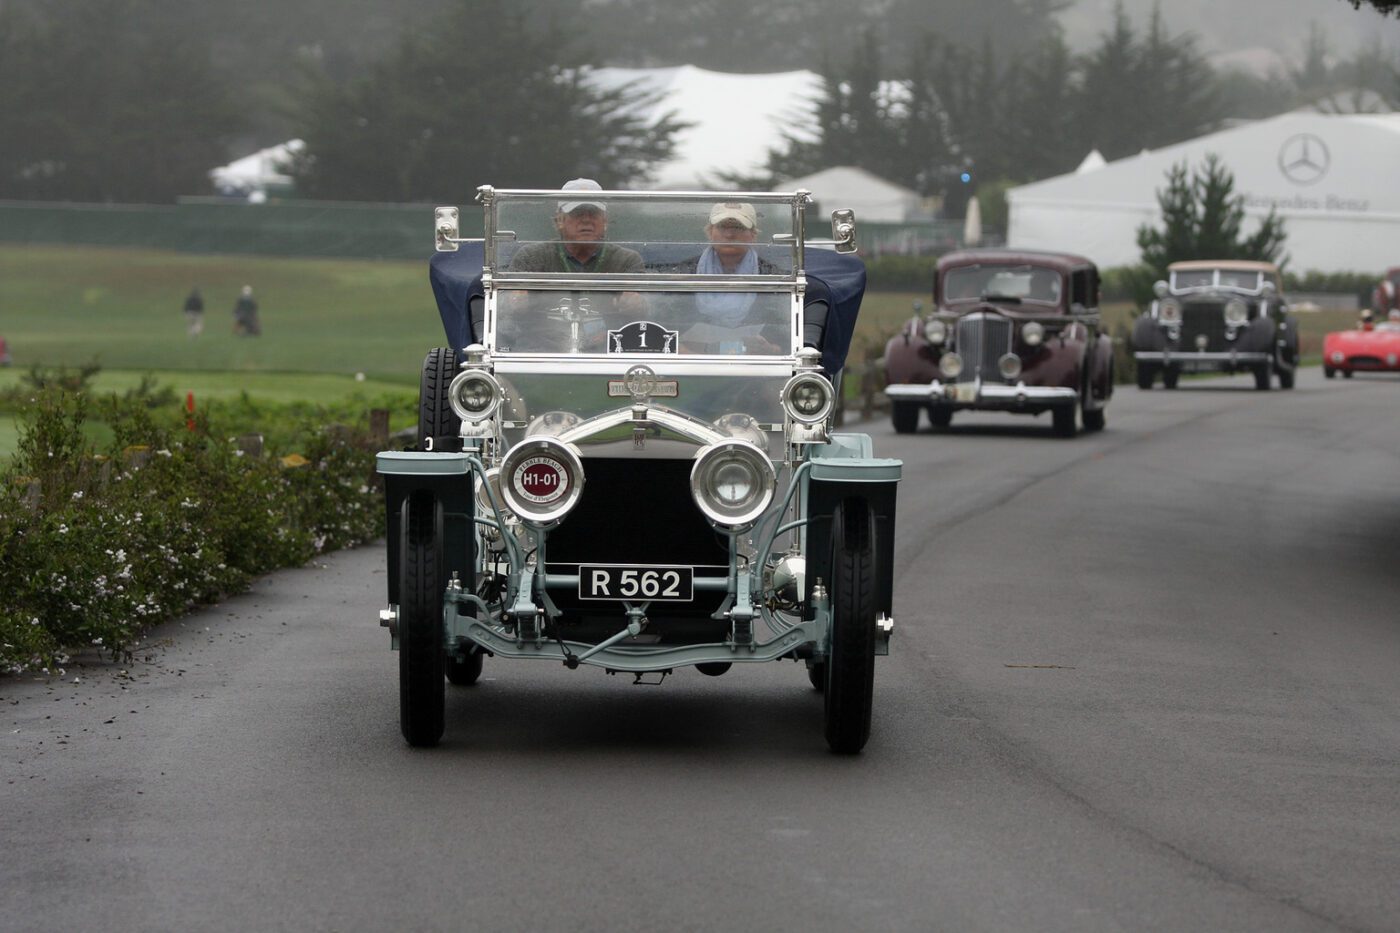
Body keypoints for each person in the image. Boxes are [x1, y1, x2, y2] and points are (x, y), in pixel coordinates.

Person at [507, 179, 644, 274]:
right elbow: (508, 307)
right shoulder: (531, 257)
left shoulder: (627, 260)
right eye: (577, 212)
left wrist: (635, 304)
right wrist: (516, 302)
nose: (586, 220)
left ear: (605, 221)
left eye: (593, 212)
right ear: (559, 220)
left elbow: (644, 310)